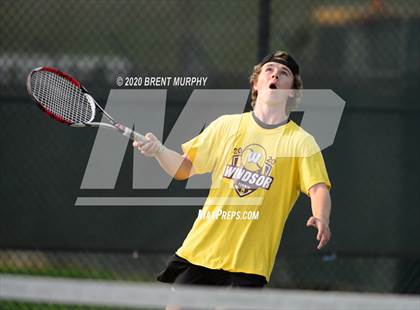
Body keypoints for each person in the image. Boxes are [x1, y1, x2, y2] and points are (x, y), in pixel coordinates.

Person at [133, 50, 332, 290]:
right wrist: (159, 151)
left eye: (284, 73)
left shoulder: (301, 141)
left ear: (292, 90)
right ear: (257, 82)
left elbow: (318, 188)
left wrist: (321, 217)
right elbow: (183, 169)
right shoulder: (226, 126)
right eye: (269, 70)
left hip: (249, 265)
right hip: (201, 250)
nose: (275, 75)